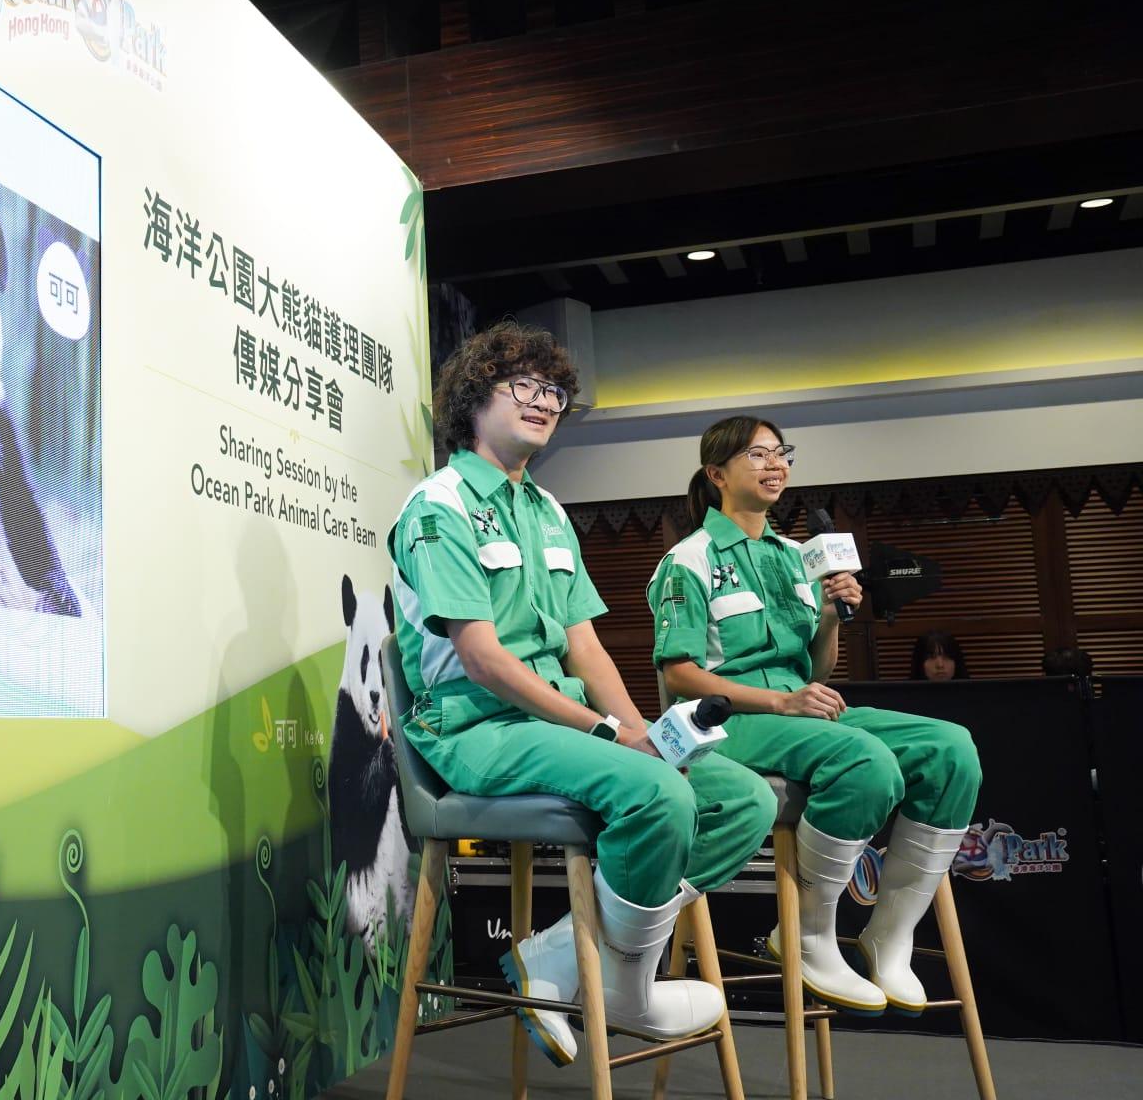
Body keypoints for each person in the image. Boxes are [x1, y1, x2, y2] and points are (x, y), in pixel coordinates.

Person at [390, 322, 774, 1066]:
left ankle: (567, 956)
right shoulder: (436, 507)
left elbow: (585, 646)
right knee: (658, 798)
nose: (544, 402)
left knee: (741, 799)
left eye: (554, 391)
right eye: (524, 387)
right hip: (475, 729)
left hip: (559, 724)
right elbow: (483, 661)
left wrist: (645, 731)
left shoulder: (547, 511)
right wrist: (607, 734)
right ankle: (626, 989)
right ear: (474, 397)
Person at [649, 416, 982, 1016]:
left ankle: (889, 932)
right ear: (717, 473)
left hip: (798, 711)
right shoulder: (687, 559)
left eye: (782, 453)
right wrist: (781, 700)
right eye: (758, 454)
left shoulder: (794, 557)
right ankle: (806, 934)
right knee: (863, 760)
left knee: (951, 748)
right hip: (728, 721)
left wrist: (830, 614)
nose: (776, 464)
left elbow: (817, 672)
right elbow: (678, 675)